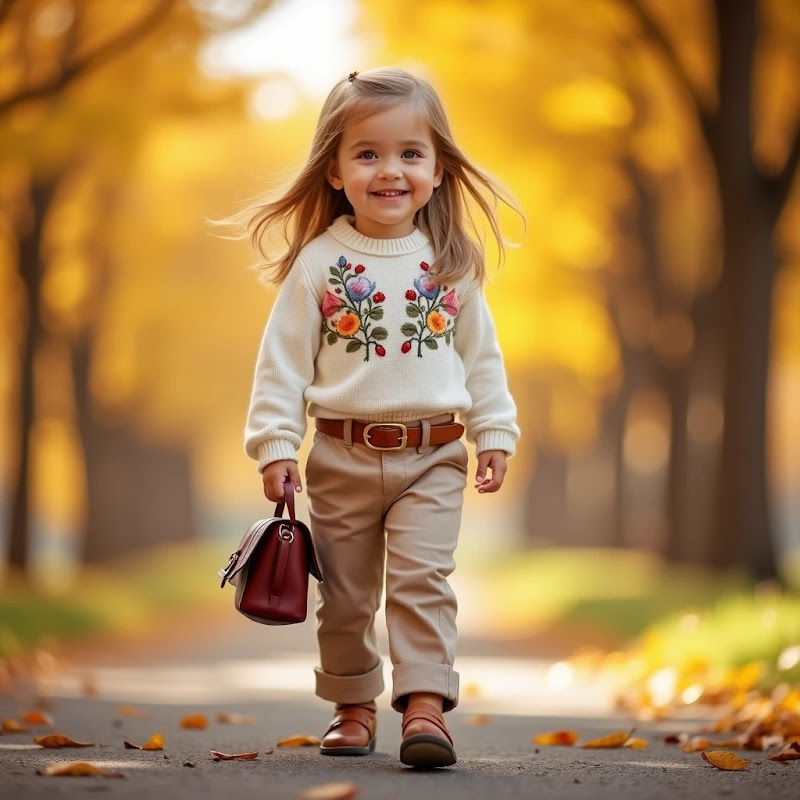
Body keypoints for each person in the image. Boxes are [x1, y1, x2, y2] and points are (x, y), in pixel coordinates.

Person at [235, 67, 520, 769]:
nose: (390, 170)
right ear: (333, 169)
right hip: (340, 457)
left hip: (434, 455)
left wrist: (495, 431)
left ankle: (425, 706)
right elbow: (281, 366)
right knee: (348, 596)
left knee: (424, 581)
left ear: (437, 168)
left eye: (409, 154)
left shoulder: (451, 261)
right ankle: (353, 705)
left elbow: (482, 360)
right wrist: (276, 445)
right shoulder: (318, 264)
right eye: (368, 154)